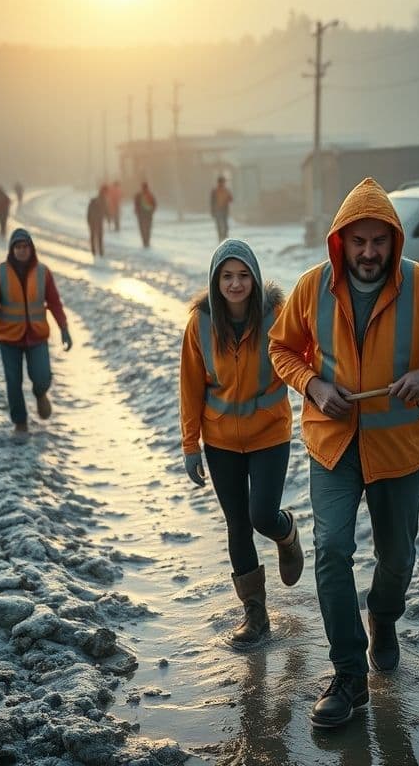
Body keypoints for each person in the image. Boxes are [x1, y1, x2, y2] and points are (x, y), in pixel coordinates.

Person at [268, 177, 419, 728]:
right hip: (333, 446)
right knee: (332, 551)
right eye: (359, 242)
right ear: (341, 242)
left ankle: (383, 616)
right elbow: (281, 348)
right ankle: (349, 676)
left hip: (399, 449)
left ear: (394, 241)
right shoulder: (312, 287)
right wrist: (312, 385)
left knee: (397, 559)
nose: (369, 253)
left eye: (379, 241)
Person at [179, 238, 303, 648]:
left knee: (262, 516)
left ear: (256, 278)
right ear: (216, 281)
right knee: (238, 524)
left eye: (243, 275)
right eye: (227, 276)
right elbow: (190, 386)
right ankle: (255, 614)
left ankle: (286, 534)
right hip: (220, 441)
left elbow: (303, 359)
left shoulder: (276, 316)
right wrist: (190, 444)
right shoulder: (200, 323)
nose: (235, 284)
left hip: (269, 433)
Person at [0, 228, 72, 435]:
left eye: (25, 246)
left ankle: (40, 394)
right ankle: (20, 422)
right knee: (14, 383)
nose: (22, 250)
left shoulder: (43, 272)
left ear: (31, 249)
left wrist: (64, 328)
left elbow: (54, 302)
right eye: (18, 247)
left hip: (37, 336)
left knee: (42, 377)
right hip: (9, 338)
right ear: (11, 250)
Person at [210, 175, 233, 242]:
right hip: (217, 210)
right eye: (222, 182)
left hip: (224, 210)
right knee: (219, 225)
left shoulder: (226, 190)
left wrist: (227, 198)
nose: (222, 183)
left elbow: (231, 199)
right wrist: (212, 211)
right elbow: (212, 201)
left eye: (223, 182)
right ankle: (220, 238)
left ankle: (225, 237)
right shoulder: (215, 191)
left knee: (225, 225)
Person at [133, 181, 156, 248]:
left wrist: (136, 211)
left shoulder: (138, 195)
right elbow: (154, 204)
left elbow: (136, 204)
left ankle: (145, 242)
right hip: (148, 214)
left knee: (142, 228)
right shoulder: (150, 195)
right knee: (148, 228)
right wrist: (152, 211)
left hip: (141, 215)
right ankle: (147, 242)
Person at [87, 191, 106, 257]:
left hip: (94, 221)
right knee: (98, 236)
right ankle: (99, 251)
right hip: (97, 222)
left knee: (94, 236)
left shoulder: (93, 201)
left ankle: (95, 250)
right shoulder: (102, 201)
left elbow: (89, 212)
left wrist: (88, 220)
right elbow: (105, 211)